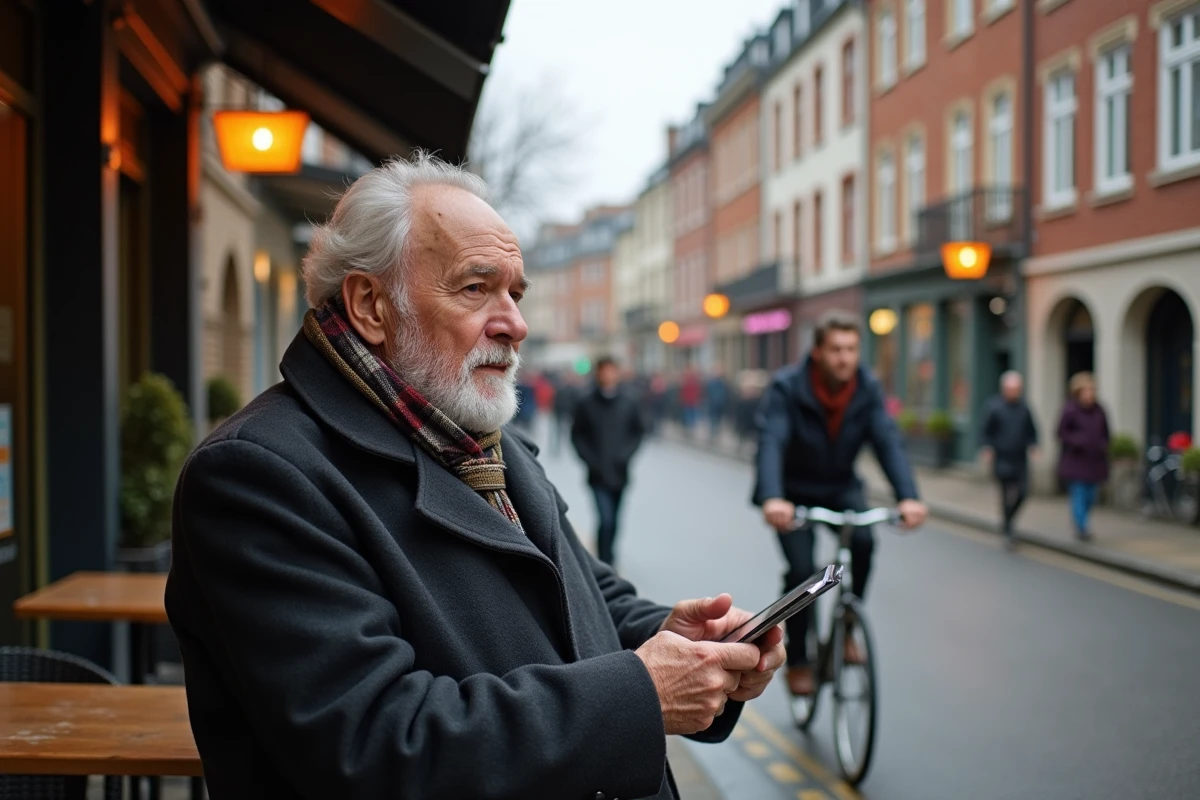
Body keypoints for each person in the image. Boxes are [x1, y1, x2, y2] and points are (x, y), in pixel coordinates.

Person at [166, 153, 785, 800]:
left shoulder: (479, 437)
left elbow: (578, 596)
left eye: (515, 293)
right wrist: (642, 693)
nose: (515, 325)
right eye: (474, 288)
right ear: (371, 305)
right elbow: (375, 746)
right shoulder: (256, 476)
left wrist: (691, 645)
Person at [753, 310, 927, 698]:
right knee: (802, 571)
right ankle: (799, 659)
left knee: (864, 543)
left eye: (851, 349)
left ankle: (848, 626)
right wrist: (771, 496)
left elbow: (886, 440)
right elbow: (772, 441)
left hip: (840, 486)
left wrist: (909, 495)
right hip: (792, 492)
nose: (844, 358)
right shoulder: (787, 387)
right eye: (835, 349)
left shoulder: (867, 387)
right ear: (817, 352)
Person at [571, 356, 646, 566]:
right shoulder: (586, 403)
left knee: (615, 520)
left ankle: (610, 555)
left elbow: (638, 432)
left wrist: (626, 456)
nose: (608, 375)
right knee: (605, 519)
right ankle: (605, 561)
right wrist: (589, 460)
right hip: (597, 473)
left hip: (620, 472)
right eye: (604, 370)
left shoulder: (629, 402)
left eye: (611, 370)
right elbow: (577, 435)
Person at [981, 370, 1040, 549]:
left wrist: (1034, 445)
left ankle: (1008, 521)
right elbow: (986, 430)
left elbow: (1032, 430)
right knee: (1006, 493)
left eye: (1017, 389)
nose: (1014, 392)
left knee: (1023, 492)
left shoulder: (1024, 408)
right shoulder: (994, 406)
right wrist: (987, 448)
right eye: (1011, 388)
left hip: (1020, 457)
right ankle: (1008, 529)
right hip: (1002, 457)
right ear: (1004, 389)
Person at [1056, 372, 1110, 541]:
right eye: (1086, 391)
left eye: (1091, 390)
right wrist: (1076, 441)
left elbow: (1107, 432)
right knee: (1079, 494)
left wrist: (1103, 444)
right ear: (1078, 392)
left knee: (1090, 496)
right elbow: (1061, 432)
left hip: (1094, 460)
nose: (1090, 394)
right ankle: (1082, 527)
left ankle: (1082, 521)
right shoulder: (1070, 410)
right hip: (1076, 460)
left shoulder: (1100, 410)